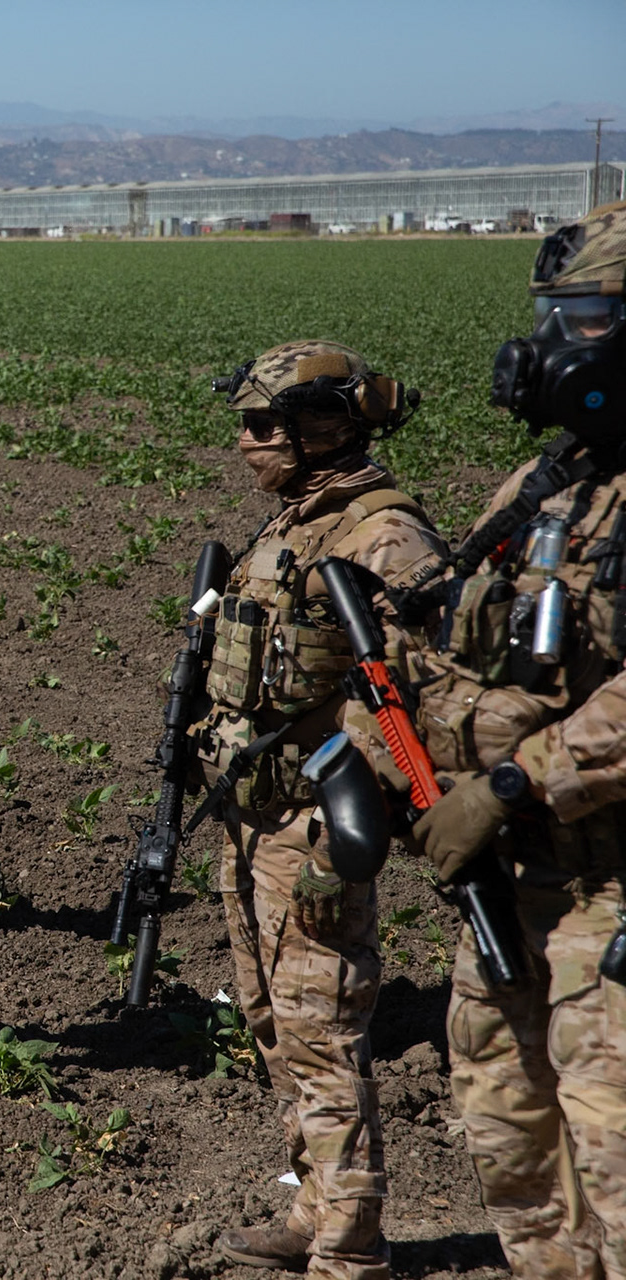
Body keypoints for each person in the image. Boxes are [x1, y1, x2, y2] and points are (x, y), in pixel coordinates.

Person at [403, 200, 626, 1277]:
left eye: (581, 317)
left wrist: (509, 778)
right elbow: (449, 634)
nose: (546, 346)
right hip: (518, 887)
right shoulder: (554, 486)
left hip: (610, 897)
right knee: (514, 1153)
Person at [187, 342, 441, 1280]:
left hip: (316, 828)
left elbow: (414, 703)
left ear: (322, 426)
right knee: (270, 1022)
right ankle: (313, 1207)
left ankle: (350, 1249)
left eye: (262, 426)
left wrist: (348, 841)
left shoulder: (384, 536)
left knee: (323, 1033)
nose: (245, 443)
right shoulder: (290, 526)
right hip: (252, 820)